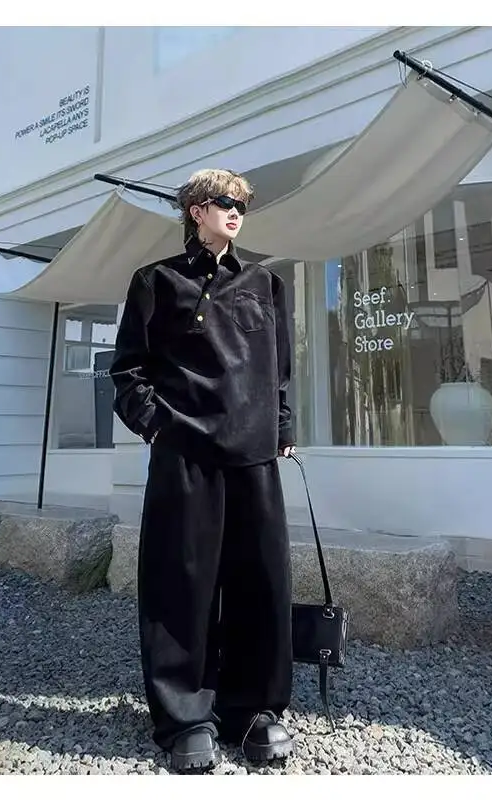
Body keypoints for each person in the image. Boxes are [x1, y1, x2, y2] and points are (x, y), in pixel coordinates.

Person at [110, 168, 296, 772]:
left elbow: (280, 371)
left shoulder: (266, 283)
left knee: (259, 583)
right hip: (185, 453)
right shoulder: (155, 281)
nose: (236, 210)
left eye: (242, 203)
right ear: (196, 210)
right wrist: (157, 427)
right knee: (179, 584)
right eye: (224, 201)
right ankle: (185, 717)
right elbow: (127, 370)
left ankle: (254, 710)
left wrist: (282, 429)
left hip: (253, 457)